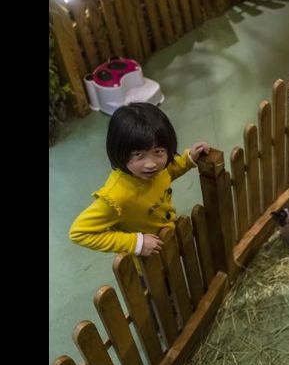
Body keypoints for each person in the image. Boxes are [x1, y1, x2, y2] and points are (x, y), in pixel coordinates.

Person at [69, 103, 210, 260]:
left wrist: (189, 159)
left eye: (158, 151)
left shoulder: (159, 170)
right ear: (119, 152)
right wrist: (136, 243)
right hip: (149, 261)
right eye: (138, 155)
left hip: (169, 241)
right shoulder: (117, 196)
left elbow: (169, 172)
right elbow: (79, 232)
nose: (151, 164)